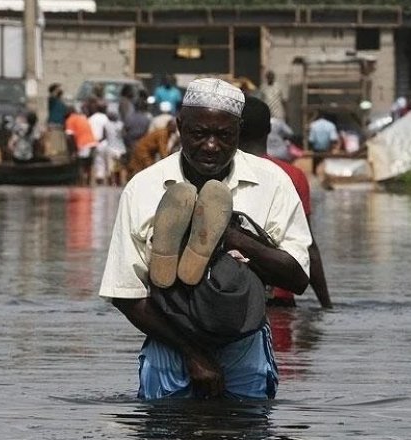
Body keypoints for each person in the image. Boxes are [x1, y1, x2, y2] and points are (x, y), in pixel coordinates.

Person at [99, 78, 312, 400]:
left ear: (239, 131)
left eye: (223, 135)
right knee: (175, 429)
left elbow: (297, 279)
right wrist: (193, 355)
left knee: (242, 427)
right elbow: (125, 293)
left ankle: (219, 238)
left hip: (244, 336)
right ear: (180, 127)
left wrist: (229, 237)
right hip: (171, 338)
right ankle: (181, 253)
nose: (211, 145)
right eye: (199, 134)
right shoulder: (144, 187)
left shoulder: (272, 182)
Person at [239, 96, 333, 309]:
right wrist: (326, 305)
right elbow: (308, 245)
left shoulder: (221, 172)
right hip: (280, 299)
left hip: (231, 296)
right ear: (269, 130)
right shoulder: (293, 175)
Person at [64, 107, 97, 185]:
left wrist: (73, 151)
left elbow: (69, 137)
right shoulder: (82, 117)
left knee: (80, 164)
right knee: (88, 164)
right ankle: (88, 183)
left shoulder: (70, 120)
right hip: (92, 142)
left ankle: (82, 183)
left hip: (83, 144)